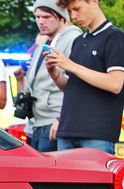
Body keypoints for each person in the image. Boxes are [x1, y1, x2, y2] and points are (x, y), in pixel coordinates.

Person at [44, 0, 124, 154]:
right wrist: (54, 72)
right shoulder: (79, 41)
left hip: (96, 134)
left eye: (77, 9)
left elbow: (115, 84)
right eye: (70, 12)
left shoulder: (115, 36)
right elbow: (72, 88)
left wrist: (71, 65)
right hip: (67, 130)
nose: (73, 16)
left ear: (94, 2)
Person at [14, 0, 81, 152]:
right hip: (37, 123)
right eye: (37, 17)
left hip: (55, 123)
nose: (40, 22)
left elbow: (77, 86)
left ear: (62, 17)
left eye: (46, 17)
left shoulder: (73, 39)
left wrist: (61, 118)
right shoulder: (44, 42)